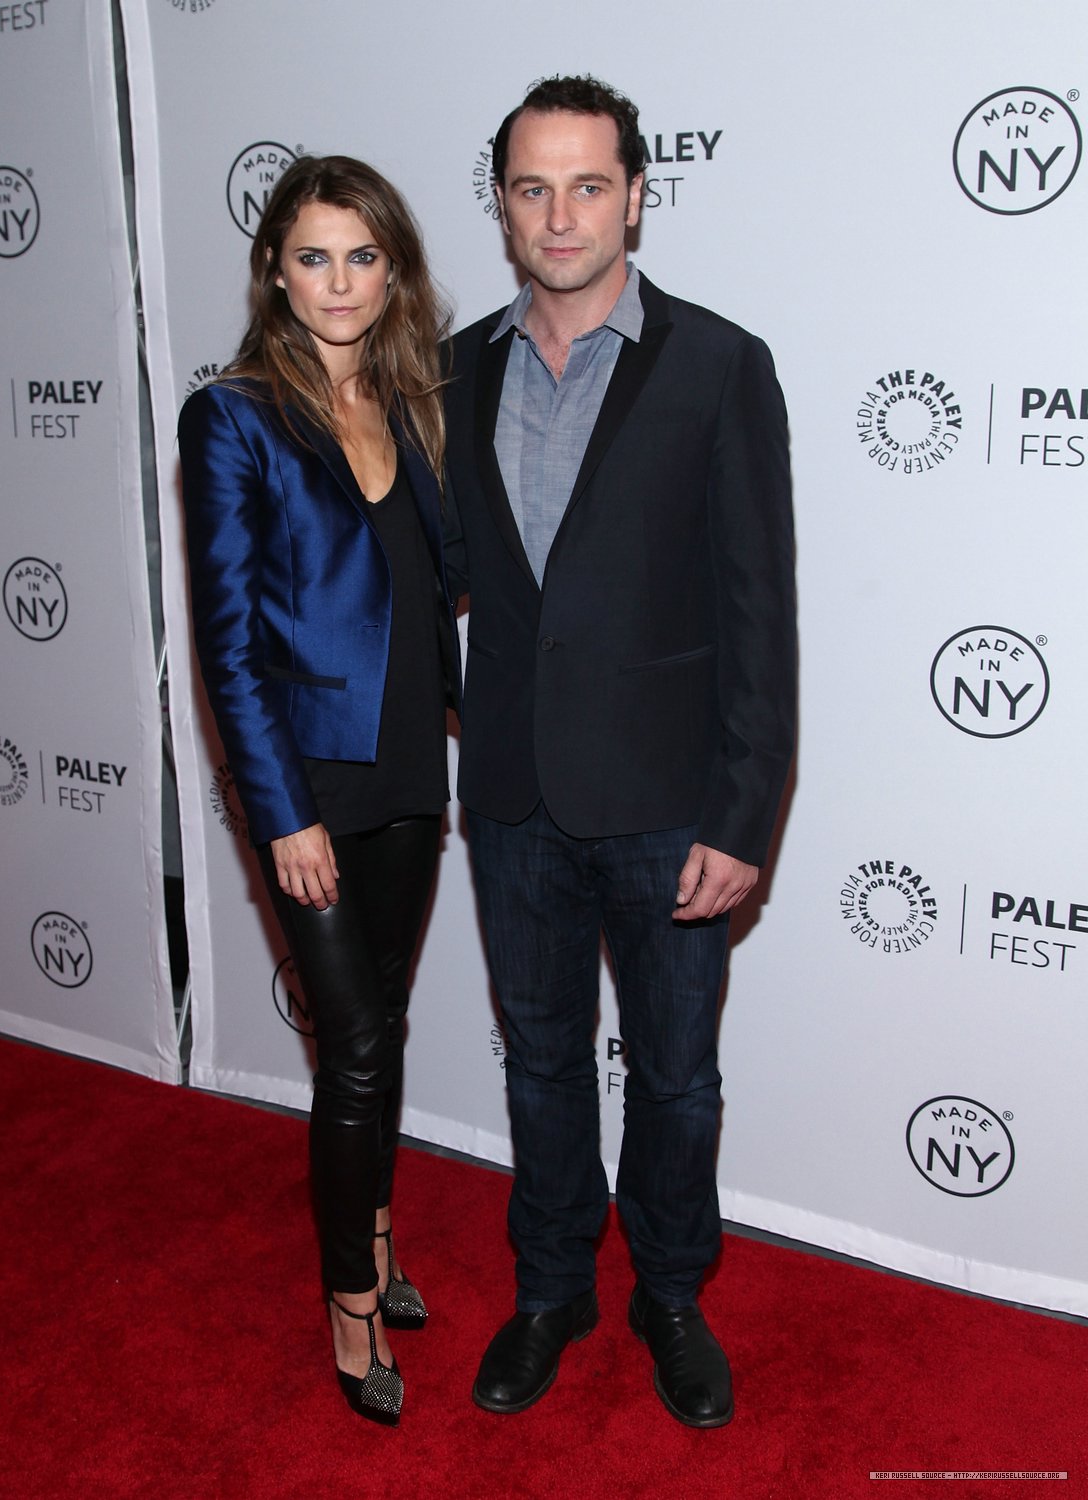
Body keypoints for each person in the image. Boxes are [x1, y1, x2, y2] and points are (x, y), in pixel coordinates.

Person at [443, 76, 796, 1426]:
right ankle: (550, 1292)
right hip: (519, 796)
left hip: (669, 802)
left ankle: (669, 1293)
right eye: (533, 187)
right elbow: (439, 579)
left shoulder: (719, 366)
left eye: (589, 184)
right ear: (502, 204)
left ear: (637, 196)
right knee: (537, 1063)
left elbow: (760, 606)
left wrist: (746, 811)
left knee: (676, 1076)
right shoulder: (456, 366)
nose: (561, 213)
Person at [178, 155, 459, 1427]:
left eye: (361, 256)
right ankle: (351, 1299)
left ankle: (383, 1235)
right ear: (275, 269)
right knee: (350, 1049)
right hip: (311, 783)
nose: (337, 281)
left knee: (382, 1026)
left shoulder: (412, 402)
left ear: (390, 269)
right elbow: (226, 642)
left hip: (408, 764)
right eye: (312, 256)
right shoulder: (235, 416)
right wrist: (281, 810)